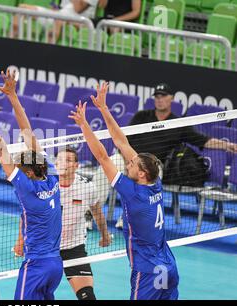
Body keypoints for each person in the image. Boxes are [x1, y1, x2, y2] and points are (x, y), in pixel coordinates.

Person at [69, 82, 179, 300]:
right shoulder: (155, 183)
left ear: (141, 174)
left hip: (148, 272)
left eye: (132, 164)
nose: (128, 163)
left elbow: (102, 156)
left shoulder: (133, 193)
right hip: (169, 264)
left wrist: (84, 125)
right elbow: (121, 142)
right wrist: (103, 108)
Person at [0, 69, 63, 300]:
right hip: (56, 266)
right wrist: (13, 96)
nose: (15, 168)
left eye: (20, 167)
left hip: (36, 266)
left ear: (28, 172)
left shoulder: (26, 188)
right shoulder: (52, 178)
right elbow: (28, 133)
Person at [96, 83, 237, 229]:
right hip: (127, 157)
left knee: (148, 179)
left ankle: (129, 218)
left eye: (163, 96)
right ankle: (91, 214)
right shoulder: (141, 116)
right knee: (105, 168)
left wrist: (228, 146)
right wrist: (128, 161)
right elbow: (123, 139)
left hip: (153, 166)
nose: (159, 99)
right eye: (157, 96)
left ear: (171, 99)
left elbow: (203, 140)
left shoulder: (178, 124)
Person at [55, 147, 113, 300]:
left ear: (76, 165)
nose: (63, 164)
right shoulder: (46, 186)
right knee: (36, 295)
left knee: (87, 296)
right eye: (60, 160)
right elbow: (27, 215)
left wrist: (105, 235)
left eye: (68, 160)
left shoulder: (87, 187)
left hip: (74, 247)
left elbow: (97, 212)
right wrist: (21, 241)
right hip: (47, 248)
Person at [13, 0, 99, 43]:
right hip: (60, 14)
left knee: (58, 20)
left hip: (80, 21)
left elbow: (77, 9)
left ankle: (46, 51)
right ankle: (10, 41)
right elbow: (62, 9)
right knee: (22, 8)